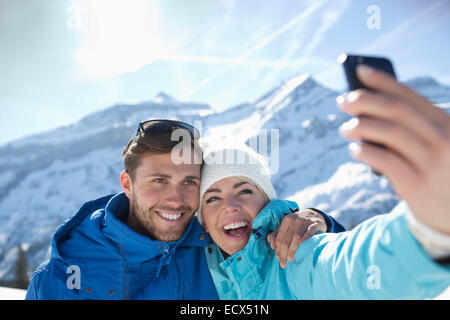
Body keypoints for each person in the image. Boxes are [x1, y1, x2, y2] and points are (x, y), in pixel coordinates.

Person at [198, 65, 450, 299]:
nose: (229, 205)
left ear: (266, 200)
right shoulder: (196, 275)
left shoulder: (295, 258)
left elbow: (354, 268)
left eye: (244, 190)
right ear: (204, 223)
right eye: (212, 198)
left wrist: (427, 233)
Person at [25, 119, 342, 300]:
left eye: (189, 182)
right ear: (128, 184)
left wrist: (319, 220)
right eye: (159, 180)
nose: (176, 199)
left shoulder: (214, 247)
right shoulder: (58, 281)